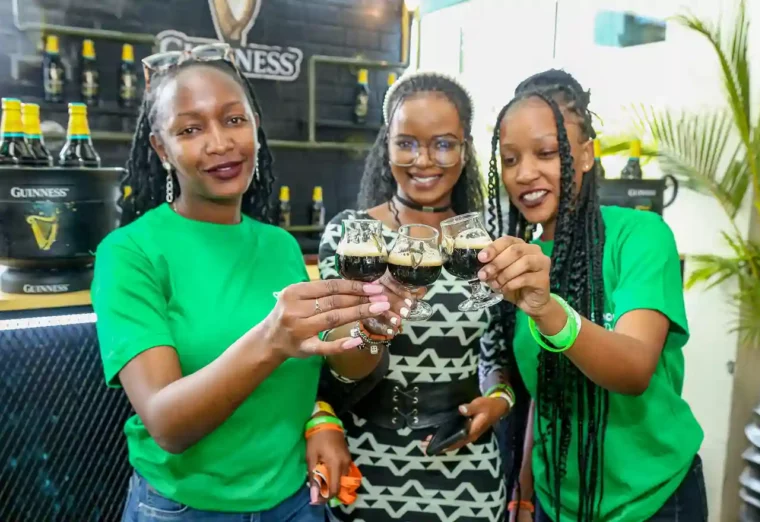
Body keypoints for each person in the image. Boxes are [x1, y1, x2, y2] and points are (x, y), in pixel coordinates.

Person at [91, 43, 393, 522]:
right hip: (186, 509)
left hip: (296, 502)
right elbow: (168, 423)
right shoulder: (129, 253)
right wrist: (271, 340)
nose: (219, 143)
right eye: (190, 129)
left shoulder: (280, 246)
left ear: (255, 124)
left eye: (234, 120)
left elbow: (340, 370)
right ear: (161, 148)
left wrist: (371, 325)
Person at [481, 69, 707, 522]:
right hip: (554, 502)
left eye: (546, 153)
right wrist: (524, 489)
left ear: (585, 154)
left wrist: (547, 310)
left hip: (652, 501)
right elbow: (542, 390)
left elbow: (634, 368)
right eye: (509, 159)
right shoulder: (513, 257)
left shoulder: (640, 237)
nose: (525, 173)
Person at [317, 71, 513, 522]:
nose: (424, 160)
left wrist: (498, 401)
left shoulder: (484, 240)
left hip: (466, 465)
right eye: (406, 142)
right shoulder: (351, 235)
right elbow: (326, 361)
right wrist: (369, 328)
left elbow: (499, 356)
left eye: (443, 144)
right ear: (386, 147)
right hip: (366, 462)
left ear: (465, 150)